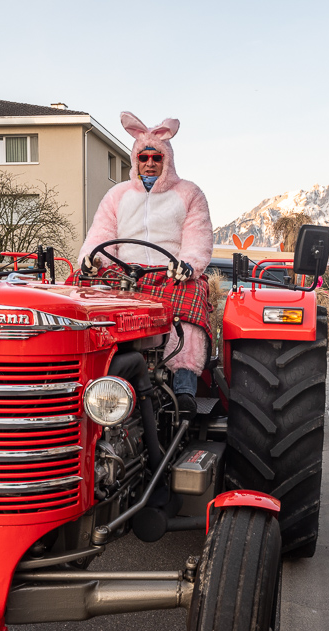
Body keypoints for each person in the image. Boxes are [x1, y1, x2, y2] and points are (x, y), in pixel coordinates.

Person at [77, 112, 214, 416]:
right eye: (143, 156)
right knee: (80, 291)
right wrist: (89, 259)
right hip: (124, 273)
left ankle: (184, 384)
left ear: (167, 160)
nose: (150, 162)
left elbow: (197, 237)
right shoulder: (117, 195)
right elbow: (100, 234)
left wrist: (188, 265)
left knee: (191, 297)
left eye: (156, 156)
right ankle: (86, 377)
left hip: (170, 274)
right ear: (135, 160)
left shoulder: (189, 194)